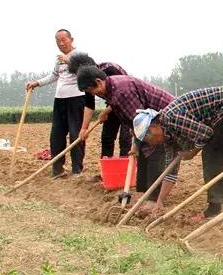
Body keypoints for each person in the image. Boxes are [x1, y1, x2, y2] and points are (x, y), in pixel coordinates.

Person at [133, 86, 223, 221]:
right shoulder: (166, 137)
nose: (150, 143)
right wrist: (160, 201)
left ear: (154, 126)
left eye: (148, 138)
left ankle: (214, 208)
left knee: (212, 154)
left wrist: (192, 152)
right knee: (222, 152)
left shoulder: (172, 118)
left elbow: (206, 134)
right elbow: (171, 171)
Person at [75, 66, 175, 211]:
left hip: (166, 117)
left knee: (153, 149)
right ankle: (144, 193)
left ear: (99, 81)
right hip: (148, 118)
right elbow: (131, 121)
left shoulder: (121, 92)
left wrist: (136, 142)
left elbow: (140, 122)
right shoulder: (111, 89)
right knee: (142, 151)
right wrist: (136, 144)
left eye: (92, 90)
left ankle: (154, 200)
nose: (93, 94)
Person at [25, 29, 93, 178]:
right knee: (56, 134)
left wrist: (69, 60)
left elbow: (87, 71)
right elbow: (54, 76)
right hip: (59, 100)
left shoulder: (80, 55)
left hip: (77, 98)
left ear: (71, 39)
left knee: (76, 134)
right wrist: (36, 83)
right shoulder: (58, 59)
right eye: (58, 41)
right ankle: (57, 169)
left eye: (64, 40)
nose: (61, 43)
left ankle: (77, 170)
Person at [67, 53, 133, 159]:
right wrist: (84, 128)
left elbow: (121, 95)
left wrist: (105, 112)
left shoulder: (110, 70)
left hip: (128, 104)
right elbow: (89, 104)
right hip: (111, 106)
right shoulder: (87, 81)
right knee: (107, 137)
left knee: (125, 139)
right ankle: (106, 169)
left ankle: (124, 170)